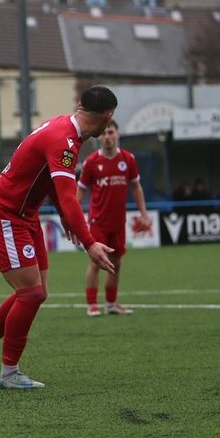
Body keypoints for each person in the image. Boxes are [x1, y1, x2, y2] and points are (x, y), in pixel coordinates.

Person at [0, 86, 118, 390]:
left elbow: (52, 185)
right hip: (4, 215)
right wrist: (90, 243)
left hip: (24, 215)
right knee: (30, 293)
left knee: (37, 291)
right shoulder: (65, 141)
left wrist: (60, 211)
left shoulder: (63, 128)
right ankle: (10, 373)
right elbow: (70, 198)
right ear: (106, 116)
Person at [77, 120, 151, 316]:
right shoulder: (91, 162)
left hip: (118, 221)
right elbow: (80, 190)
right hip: (97, 221)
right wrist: (74, 217)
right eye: (104, 133)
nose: (107, 136)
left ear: (117, 134)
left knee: (116, 262)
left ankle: (111, 303)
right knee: (95, 262)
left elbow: (136, 186)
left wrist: (143, 214)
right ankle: (92, 304)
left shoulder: (128, 159)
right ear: (99, 136)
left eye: (111, 132)